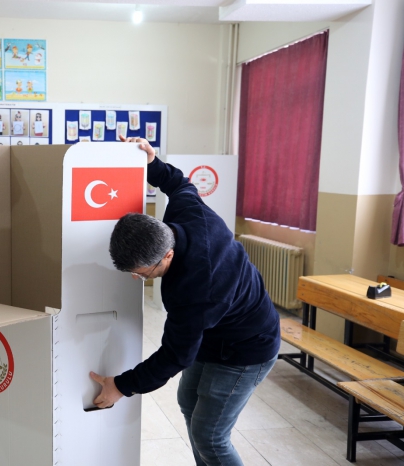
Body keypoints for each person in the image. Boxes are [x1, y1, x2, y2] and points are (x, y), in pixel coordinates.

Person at [90, 137, 280, 466]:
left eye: (143, 273)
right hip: (215, 331)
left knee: (210, 436)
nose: (138, 278)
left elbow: (175, 355)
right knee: (188, 402)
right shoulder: (185, 213)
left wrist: (121, 386)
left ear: (167, 255)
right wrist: (152, 163)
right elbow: (179, 184)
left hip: (246, 347)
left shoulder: (197, 290)